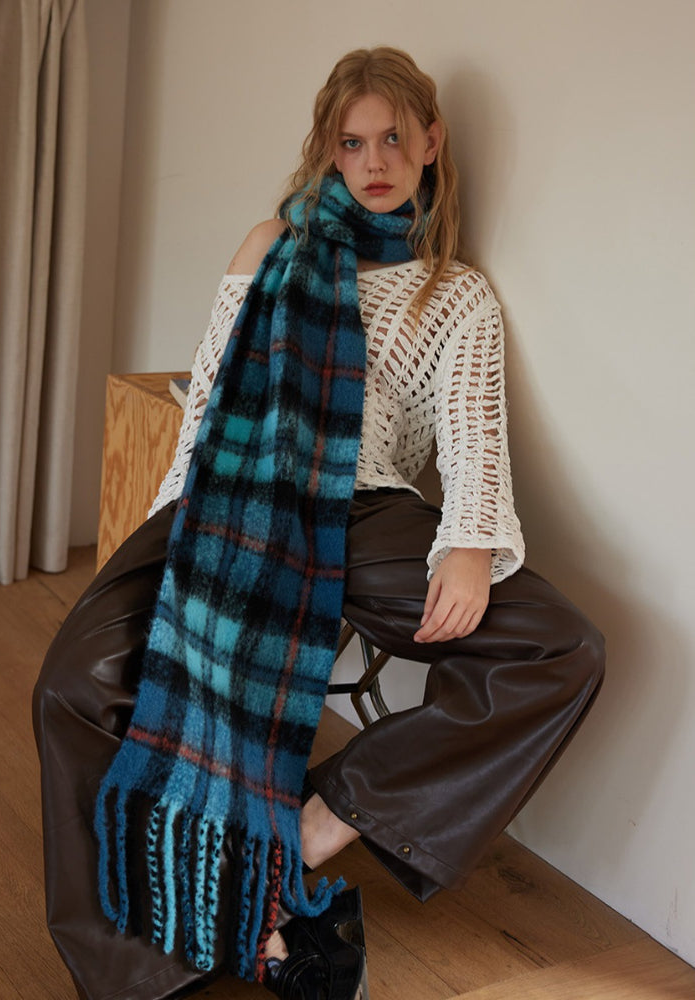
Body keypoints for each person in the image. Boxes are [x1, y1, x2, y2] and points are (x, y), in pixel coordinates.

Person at [33, 47, 605, 1000]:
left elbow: (473, 434)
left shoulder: (453, 291)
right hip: (227, 500)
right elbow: (208, 402)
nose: (373, 161)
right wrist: (167, 538)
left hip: (362, 506)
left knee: (561, 646)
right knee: (72, 681)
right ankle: (148, 957)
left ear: (432, 141)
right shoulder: (271, 245)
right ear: (327, 150)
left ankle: (312, 826)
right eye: (351, 142)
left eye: (392, 138)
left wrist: (469, 540)